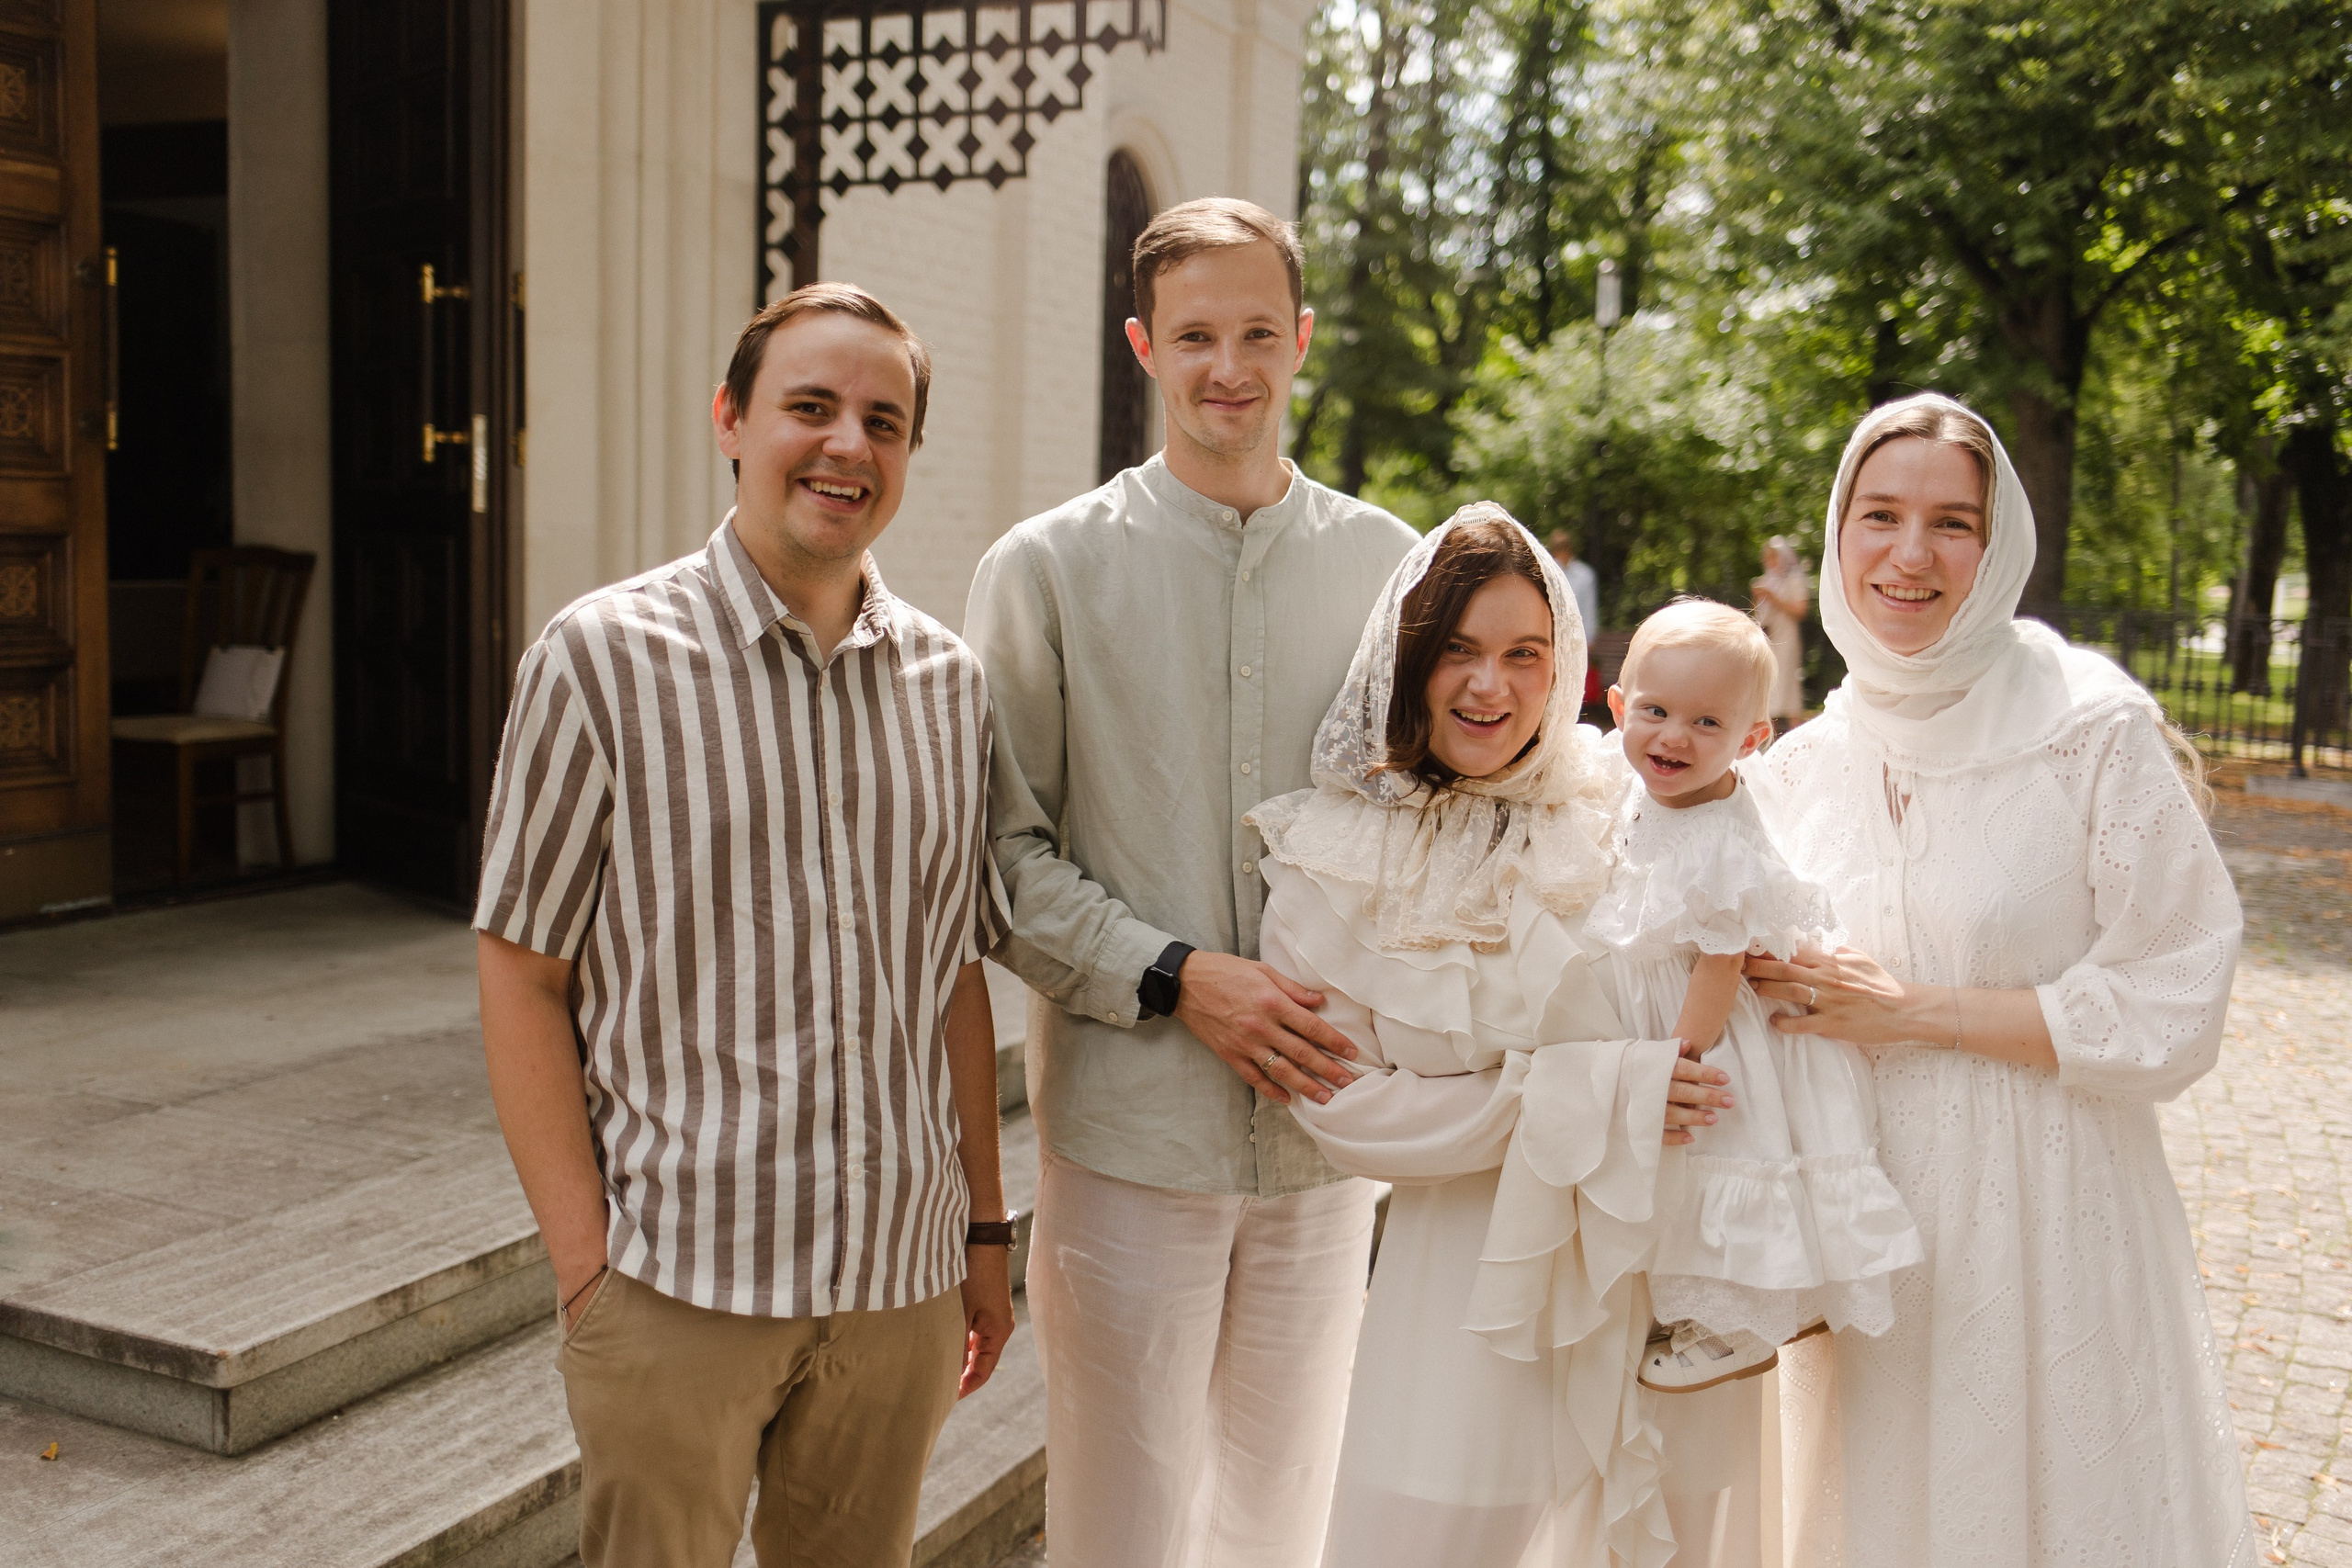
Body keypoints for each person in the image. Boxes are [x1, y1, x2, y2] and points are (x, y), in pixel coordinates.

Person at [474, 283, 1015, 1567]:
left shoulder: (952, 686)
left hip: (899, 1283)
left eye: (883, 421)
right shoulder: (597, 658)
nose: (848, 445)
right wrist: (585, 1270)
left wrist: (985, 1231)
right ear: (732, 418)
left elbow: (953, 977)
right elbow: (518, 968)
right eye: (810, 407)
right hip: (677, 1281)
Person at [964, 198, 1419, 1567]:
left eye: (1260, 333)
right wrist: (1177, 975)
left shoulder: (1392, 563)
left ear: (1305, 341)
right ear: (1143, 346)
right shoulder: (1044, 567)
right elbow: (996, 853)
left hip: (1333, 1128)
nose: (1232, 366)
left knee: (1285, 1509)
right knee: (1123, 1517)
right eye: (1198, 335)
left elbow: (1440, 819)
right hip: (1129, 1135)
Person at [1743, 393, 2254, 1565]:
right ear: (1837, 533)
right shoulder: (1804, 766)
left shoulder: (2090, 731)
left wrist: (1912, 1012)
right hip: (1863, 1223)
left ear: (2000, 541)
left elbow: (2177, 999)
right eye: (1879, 515)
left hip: (2049, 1209)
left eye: (1951, 523)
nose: (1910, 555)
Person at [1251, 505, 1758, 1568]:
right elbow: (1340, 1102)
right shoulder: (1329, 859)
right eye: (1458, 652)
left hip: (1650, 1283)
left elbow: (1747, 926)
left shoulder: (1632, 801)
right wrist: (1589, 1098)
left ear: (1564, 662)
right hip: (1462, 1304)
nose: (1491, 687)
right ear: (1408, 660)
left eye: (1524, 654)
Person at [1583, 600, 1919, 1395]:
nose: (1673, 737)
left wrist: (1676, 1060)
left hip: (1710, 1028)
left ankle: (1739, 1319)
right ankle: (1702, 1304)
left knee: (1719, 1160)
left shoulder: (1723, 842)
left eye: (1707, 723)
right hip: (1659, 1004)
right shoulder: (1630, 780)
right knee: (1677, 1184)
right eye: (1657, 712)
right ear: (1619, 707)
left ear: (1751, 739)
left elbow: (1718, 965)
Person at [1749, 538, 1808, 733]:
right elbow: (1757, 613)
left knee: (1788, 682)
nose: (1769, 562)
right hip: (1769, 634)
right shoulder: (1766, 580)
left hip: (1787, 635)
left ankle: (1796, 732)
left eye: (1773, 557)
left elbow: (1801, 610)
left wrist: (1773, 598)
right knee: (1768, 681)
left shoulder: (1795, 579)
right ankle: (1769, 735)